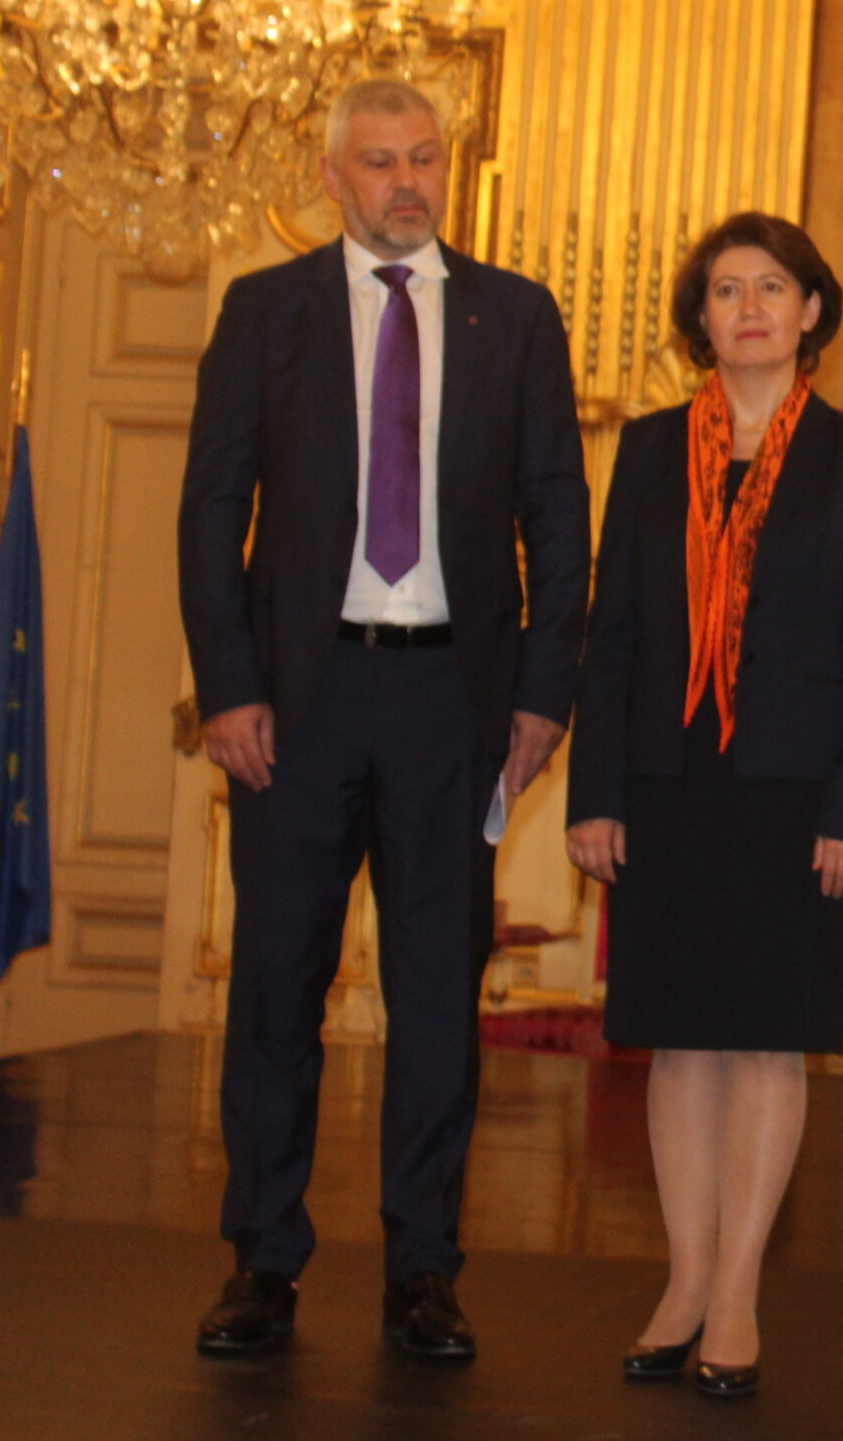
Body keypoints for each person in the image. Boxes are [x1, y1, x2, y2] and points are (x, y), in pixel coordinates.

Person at [178, 78, 591, 1359]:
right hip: (295, 708)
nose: (403, 182)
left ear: (446, 169)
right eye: (377, 163)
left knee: (433, 997)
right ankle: (264, 1262)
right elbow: (209, 519)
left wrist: (539, 696)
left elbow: (558, 525)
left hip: (449, 705)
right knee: (276, 992)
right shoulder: (264, 313)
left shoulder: (515, 317)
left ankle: (424, 1273)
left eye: (423, 160)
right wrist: (231, 685)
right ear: (330, 175)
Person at [565, 214, 843, 1398]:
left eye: (774, 287)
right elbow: (610, 635)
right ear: (700, 317)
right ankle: (682, 1279)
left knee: (764, 1042)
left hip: (795, 791)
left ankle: (738, 1296)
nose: (750, 307)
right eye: (726, 290)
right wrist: (595, 792)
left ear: (811, 311)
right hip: (666, 786)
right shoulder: (651, 451)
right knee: (677, 1042)